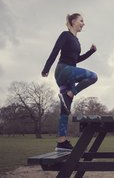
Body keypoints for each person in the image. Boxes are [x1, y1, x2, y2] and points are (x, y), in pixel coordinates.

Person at [41, 13, 98, 151]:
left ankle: (61, 143)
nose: (83, 24)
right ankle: (71, 92)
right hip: (63, 71)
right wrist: (46, 68)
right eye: (81, 21)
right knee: (93, 76)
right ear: (73, 21)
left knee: (65, 112)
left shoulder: (77, 41)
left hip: (70, 74)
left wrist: (90, 52)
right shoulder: (65, 35)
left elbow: (76, 60)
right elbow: (55, 51)